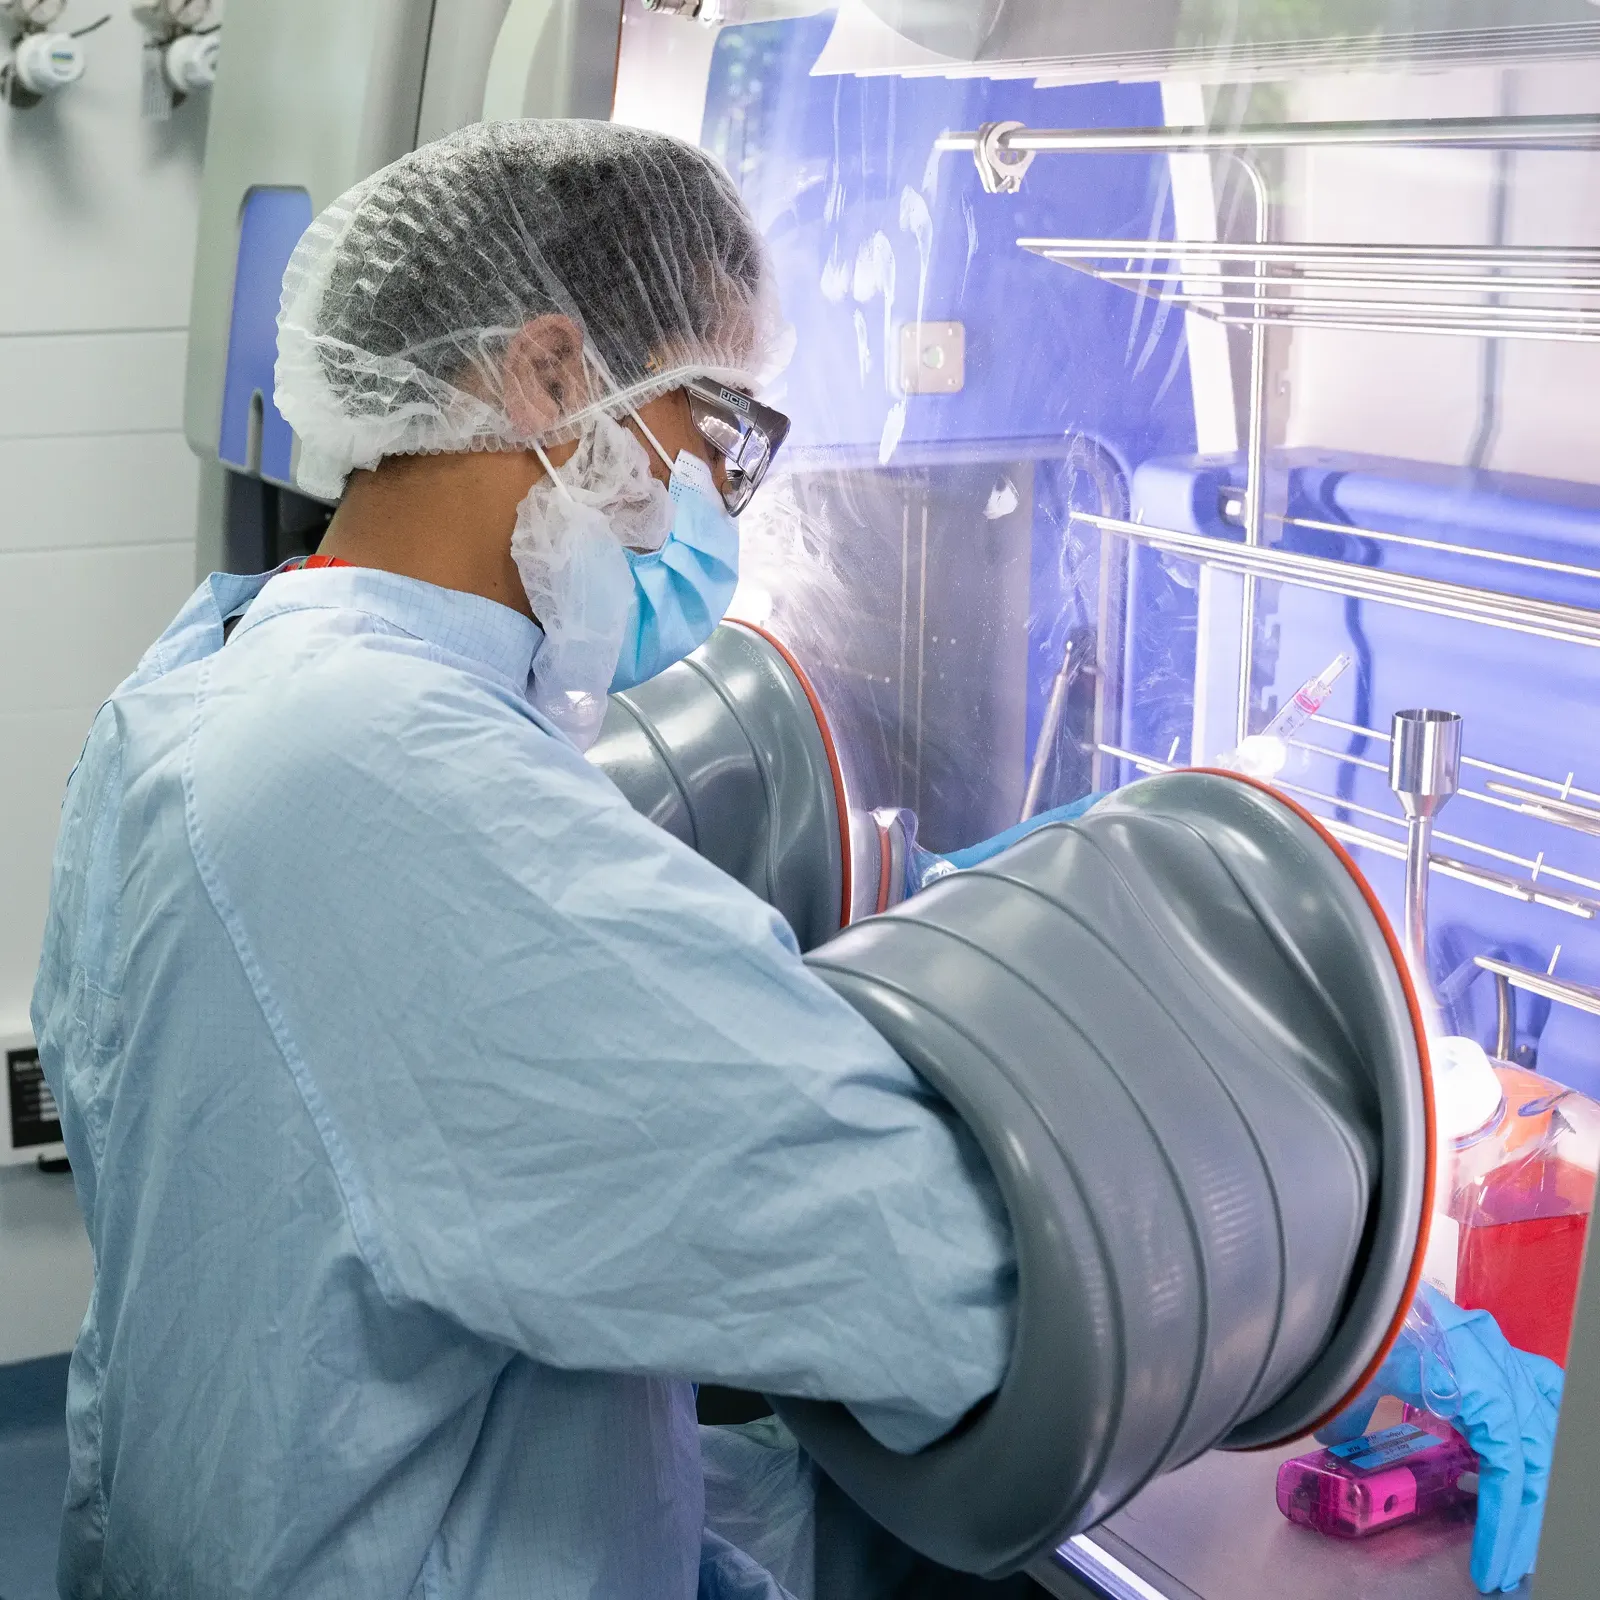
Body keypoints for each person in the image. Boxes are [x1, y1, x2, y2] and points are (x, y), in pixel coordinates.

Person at [30, 119, 1557, 1600]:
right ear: (553, 373)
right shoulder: (398, 793)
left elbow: (366, 1279)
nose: (729, 506)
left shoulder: (202, 688)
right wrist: (1361, 1281)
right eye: (728, 436)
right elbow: (950, 1285)